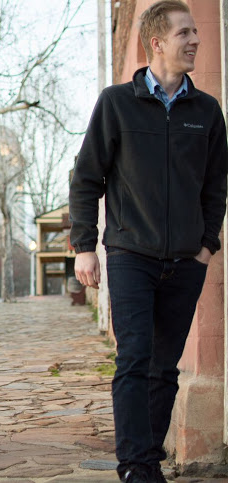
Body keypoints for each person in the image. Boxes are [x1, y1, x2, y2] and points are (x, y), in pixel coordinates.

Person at [69, 1, 228, 482]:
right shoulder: (116, 103)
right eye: (185, 33)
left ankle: (149, 459)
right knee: (134, 360)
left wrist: (205, 246)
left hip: (185, 261)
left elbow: (215, 184)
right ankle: (136, 467)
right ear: (157, 43)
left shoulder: (207, 110)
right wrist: (84, 246)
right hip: (130, 255)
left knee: (165, 369)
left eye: (197, 31)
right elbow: (86, 178)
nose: (196, 40)